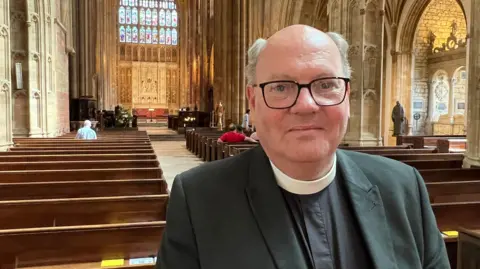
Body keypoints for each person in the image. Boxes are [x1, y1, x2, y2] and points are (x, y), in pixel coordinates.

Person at [156, 25, 449, 269]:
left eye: (325, 84)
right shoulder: (198, 200)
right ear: (254, 102)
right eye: (281, 87)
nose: (306, 105)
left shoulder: (403, 188)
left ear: (347, 94)